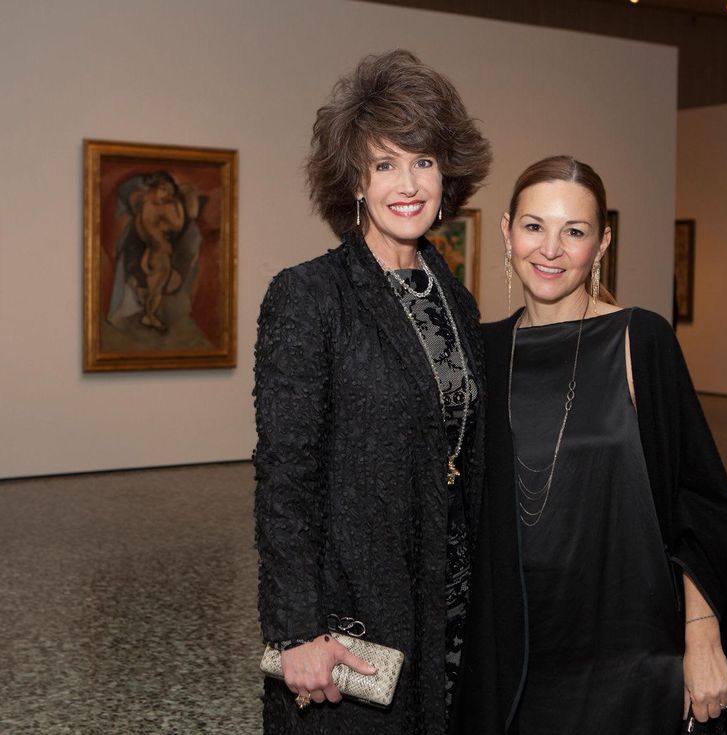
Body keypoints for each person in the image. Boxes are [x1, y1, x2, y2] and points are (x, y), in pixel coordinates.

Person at [455, 156, 727, 734]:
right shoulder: (483, 352)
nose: (550, 249)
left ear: (602, 243)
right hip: (515, 649)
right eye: (534, 226)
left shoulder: (641, 340)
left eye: (575, 231)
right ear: (506, 230)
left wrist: (702, 634)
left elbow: (701, 502)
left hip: (628, 648)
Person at [253, 50, 491, 734]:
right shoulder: (308, 296)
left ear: (447, 176)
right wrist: (295, 630)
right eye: (384, 164)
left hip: (450, 609)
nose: (407, 183)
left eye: (422, 160)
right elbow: (285, 477)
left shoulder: (456, 299)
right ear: (355, 181)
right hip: (352, 616)